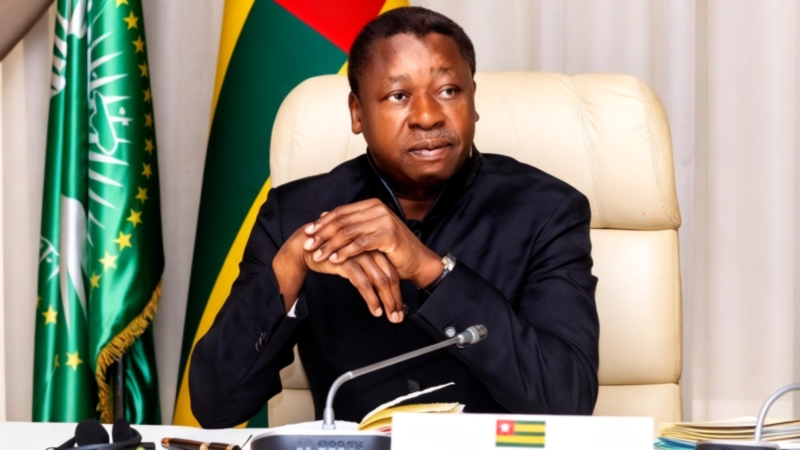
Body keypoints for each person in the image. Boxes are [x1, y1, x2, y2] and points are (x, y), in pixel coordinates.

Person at [189, 6, 599, 429]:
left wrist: (431, 271)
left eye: (448, 91)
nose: (427, 116)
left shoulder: (547, 211)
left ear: (473, 101)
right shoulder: (295, 215)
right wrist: (292, 263)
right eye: (399, 96)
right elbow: (214, 407)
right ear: (357, 112)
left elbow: (568, 402)